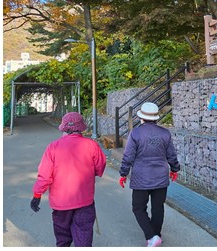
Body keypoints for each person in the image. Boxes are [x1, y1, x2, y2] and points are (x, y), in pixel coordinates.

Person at [31, 112, 106, 247]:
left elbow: (44, 175)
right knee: (84, 236)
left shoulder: (53, 147)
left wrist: (37, 195)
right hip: (85, 201)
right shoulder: (91, 145)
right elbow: (100, 168)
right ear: (81, 127)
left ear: (64, 128)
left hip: (61, 204)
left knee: (62, 238)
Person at [118, 102, 180, 247]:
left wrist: (123, 173)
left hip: (141, 178)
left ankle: (151, 236)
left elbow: (128, 156)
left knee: (138, 207)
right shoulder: (165, 133)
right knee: (158, 207)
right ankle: (156, 235)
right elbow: (171, 155)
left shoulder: (135, 133)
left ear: (141, 118)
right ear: (156, 118)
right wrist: (175, 169)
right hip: (161, 177)